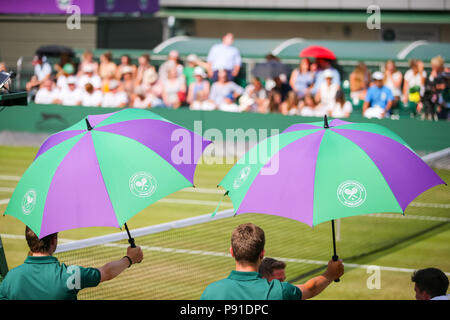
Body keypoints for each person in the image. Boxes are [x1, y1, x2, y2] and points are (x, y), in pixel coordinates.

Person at [200, 223, 344, 300]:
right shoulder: (279, 291)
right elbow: (310, 289)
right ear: (262, 254)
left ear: (232, 252)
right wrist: (330, 274)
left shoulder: (211, 293)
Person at [0, 226, 143, 300]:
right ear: (54, 240)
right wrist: (129, 259)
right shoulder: (69, 276)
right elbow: (106, 272)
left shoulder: (10, 279)